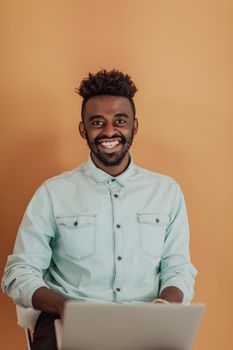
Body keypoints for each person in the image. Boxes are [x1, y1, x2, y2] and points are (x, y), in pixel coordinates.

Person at [2, 69, 197, 350]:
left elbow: (177, 267)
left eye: (120, 121)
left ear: (134, 126)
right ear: (83, 129)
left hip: (144, 321)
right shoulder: (53, 193)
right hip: (68, 320)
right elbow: (19, 271)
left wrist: (164, 306)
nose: (109, 132)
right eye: (97, 122)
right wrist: (65, 307)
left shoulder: (166, 192)